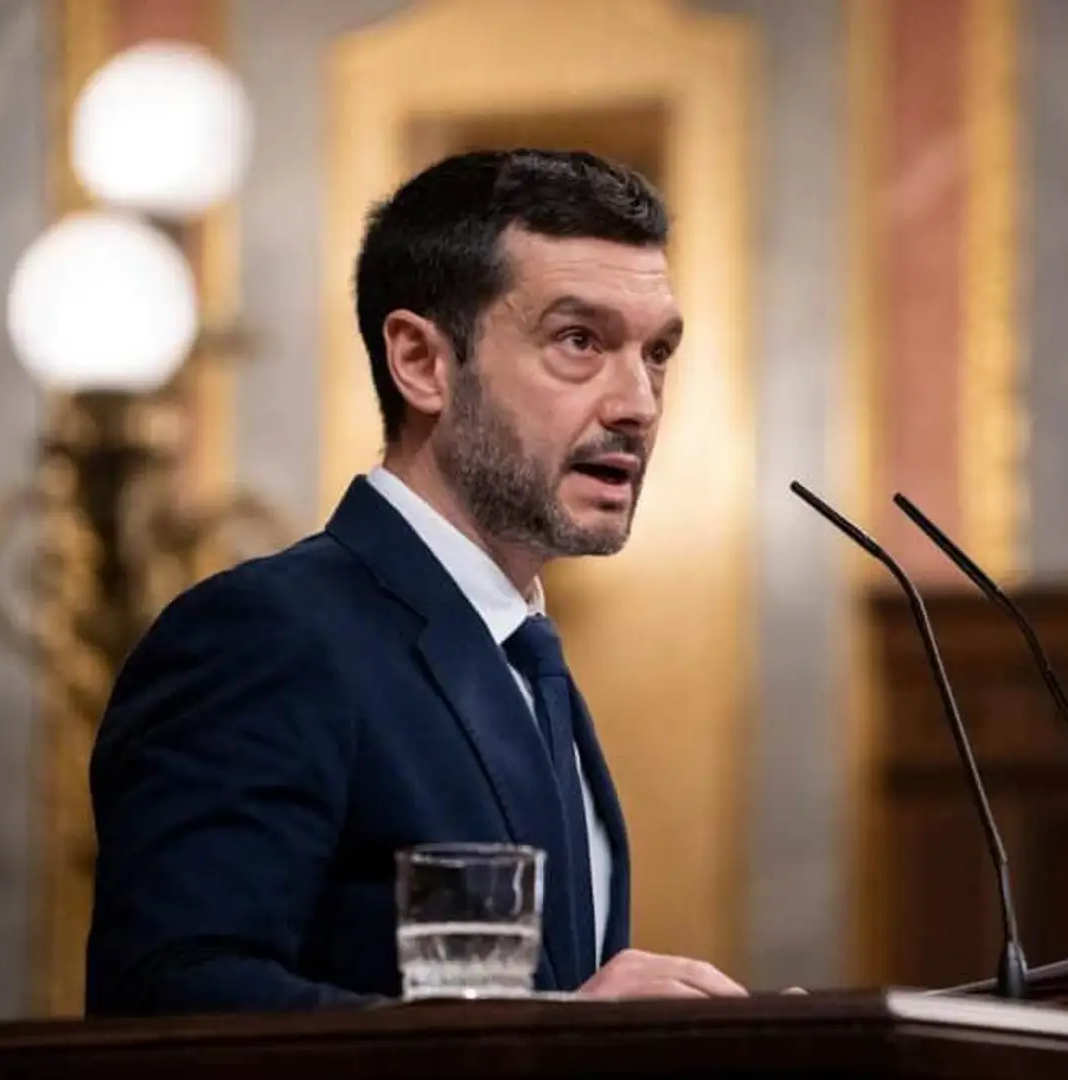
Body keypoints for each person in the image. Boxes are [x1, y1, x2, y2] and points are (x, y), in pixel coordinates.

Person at [85, 149, 747, 1014]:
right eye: (579, 342)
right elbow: (172, 1000)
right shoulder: (265, 635)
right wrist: (565, 1032)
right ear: (422, 362)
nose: (639, 404)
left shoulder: (527, 663)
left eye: (656, 352)